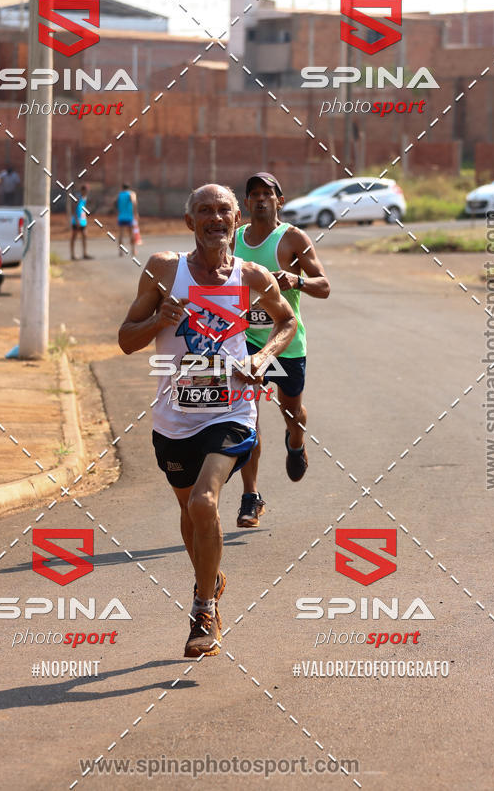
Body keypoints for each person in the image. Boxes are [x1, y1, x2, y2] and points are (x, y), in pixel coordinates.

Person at [118, 184, 296, 658]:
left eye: (223, 210)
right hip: (174, 416)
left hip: (231, 409)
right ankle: (210, 579)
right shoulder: (163, 269)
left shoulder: (251, 275)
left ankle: (203, 609)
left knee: (204, 502)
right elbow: (126, 339)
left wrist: (263, 358)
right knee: (190, 514)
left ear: (237, 220)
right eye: (204, 210)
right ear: (189, 221)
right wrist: (158, 321)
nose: (215, 218)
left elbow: (286, 322)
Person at [233, 172, 330, 528]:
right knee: (248, 418)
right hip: (245, 341)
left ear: (280, 200)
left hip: (286, 341)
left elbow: (324, 286)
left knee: (291, 411)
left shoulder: (292, 238)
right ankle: (251, 496)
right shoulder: (234, 239)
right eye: (254, 194)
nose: (260, 199)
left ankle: (296, 440)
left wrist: (297, 280)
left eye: (267, 193)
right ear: (246, 202)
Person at [70, 185, 92, 261]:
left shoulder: (85, 198)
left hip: (82, 220)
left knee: (84, 236)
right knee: (74, 237)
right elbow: (73, 208)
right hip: (76, 220)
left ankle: (85, 254)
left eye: (87, 191)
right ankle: (72, 255)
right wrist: (76, 220)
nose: (87, 192)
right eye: (86, 191)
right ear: (82, 190)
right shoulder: (77, 197)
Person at [116, 183, 139, 257]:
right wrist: (136, 213)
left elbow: (115, 203)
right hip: (129, 217)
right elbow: (134, 202)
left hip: (121, 217)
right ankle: (133, 250)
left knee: (121, 235)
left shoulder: (119, 195)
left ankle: (120, 251)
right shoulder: (131, 193)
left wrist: (118, 211)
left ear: (122, 187)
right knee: (131, 233)